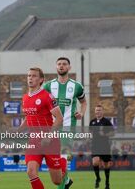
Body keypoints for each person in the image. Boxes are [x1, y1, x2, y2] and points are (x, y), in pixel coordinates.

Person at [18, 67, 66, 189]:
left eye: (34, 76)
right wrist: (18, 130)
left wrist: (48, 137)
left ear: (41, 80)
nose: (30, 78)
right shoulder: (25, 98)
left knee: (57, 181)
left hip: (50, 141)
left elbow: (59, 118)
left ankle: (63, 164)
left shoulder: (47, 96)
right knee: (30, 171)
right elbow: (29, 117)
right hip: (34, 141)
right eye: (29, 75)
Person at [43, 56, 87, 189]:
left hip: (68, 127)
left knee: (63, 156)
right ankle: (66, 180)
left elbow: (83, 102)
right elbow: (43, 104)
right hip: (52, 127)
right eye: (59, 64)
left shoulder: (77, 86)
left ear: (69, 67)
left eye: (64, 64)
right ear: (56, 67)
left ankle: (61, 186)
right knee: (54, 159)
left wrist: (82, 113)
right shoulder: (48, 85)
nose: (61, 66)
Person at [89, 105, 114, 189]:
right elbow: (90, 132)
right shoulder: (92, 122)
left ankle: (107, 183)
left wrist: (104, 134)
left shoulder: (107, 122)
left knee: (106, 165)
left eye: (99, 110)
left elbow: (113, 133)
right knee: (95, 162)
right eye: (96, 110)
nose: (97, 112)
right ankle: (98, 178)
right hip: (95, 145)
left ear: (102, 111)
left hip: (105, 146)